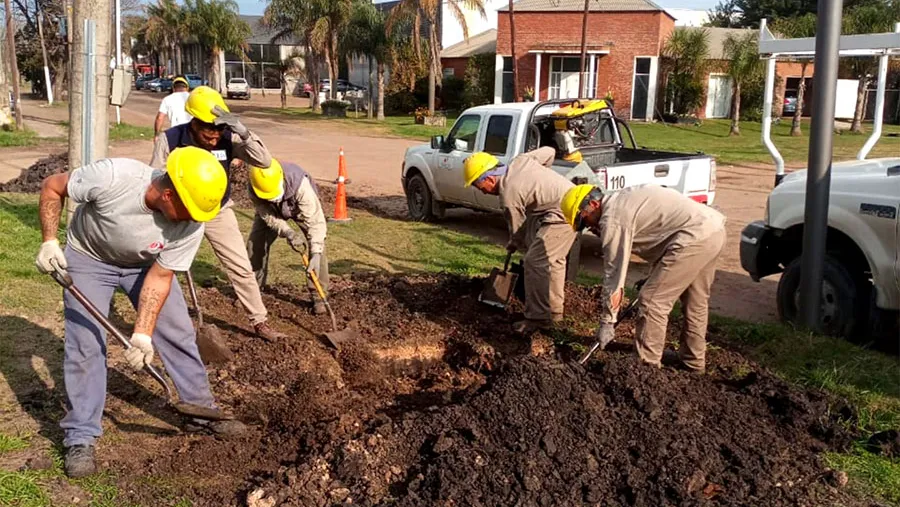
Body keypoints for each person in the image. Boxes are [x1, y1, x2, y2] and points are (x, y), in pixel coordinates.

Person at [34, 147, 247, 479]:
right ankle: (81, 437)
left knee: (177, 332)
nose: (193, 219)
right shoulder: (114, 177)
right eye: (188, 209)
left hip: (146, 266)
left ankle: (202, 413)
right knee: (85, 344)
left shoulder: (192, 224)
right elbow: (52, 186)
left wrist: (142, 335)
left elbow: (160, 278)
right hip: (90, 259)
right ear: (167, 193)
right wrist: (49, 241)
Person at [150, 85, 286, 341]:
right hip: (179, 211)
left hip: (218, 210)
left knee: (241, 267)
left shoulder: (228, 137)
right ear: (193, 122)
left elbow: (265, 161)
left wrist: (242, 131)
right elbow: (154, 177)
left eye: (219, 127)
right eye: (208, 128)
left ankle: (260, 321)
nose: (214, 135)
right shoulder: (171, 140)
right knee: (161, 266)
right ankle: (156, 321)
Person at [560, 184, 727, 372]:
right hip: (712, 230)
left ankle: (645, 370)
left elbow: (614, 274)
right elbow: (663, 233)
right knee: (695, 302)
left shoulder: (613, 219)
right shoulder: (623, 200)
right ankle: (693, 364)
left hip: (693, 238)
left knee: (652, 301)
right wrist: (653, 275)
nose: (589, 228)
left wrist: (607, 321)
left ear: (593, 204)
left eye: (584, 221)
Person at [463, 147, 577, 334]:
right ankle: (555, 312)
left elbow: (518, 231)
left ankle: (538, 318)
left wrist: (514, 243)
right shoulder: (521, 161)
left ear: (490, 179)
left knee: (534, 261)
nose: (482, 192)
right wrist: (541, 178)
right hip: (571, 202)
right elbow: (549, 151)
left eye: (478, 186)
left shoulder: (509, 195)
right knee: (553, 260)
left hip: (563, 212)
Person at [246, 159, 329, 315]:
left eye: (274, 194)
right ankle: (251, 291)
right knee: (255, 244)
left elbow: (315, 222)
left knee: (318, 246)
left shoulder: (300, 185)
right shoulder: (255, 187)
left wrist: (316, 253)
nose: (273, 198)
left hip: (297, 206)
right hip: (272, 212)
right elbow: (266, 214)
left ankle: (319, 296)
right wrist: (288, 232)